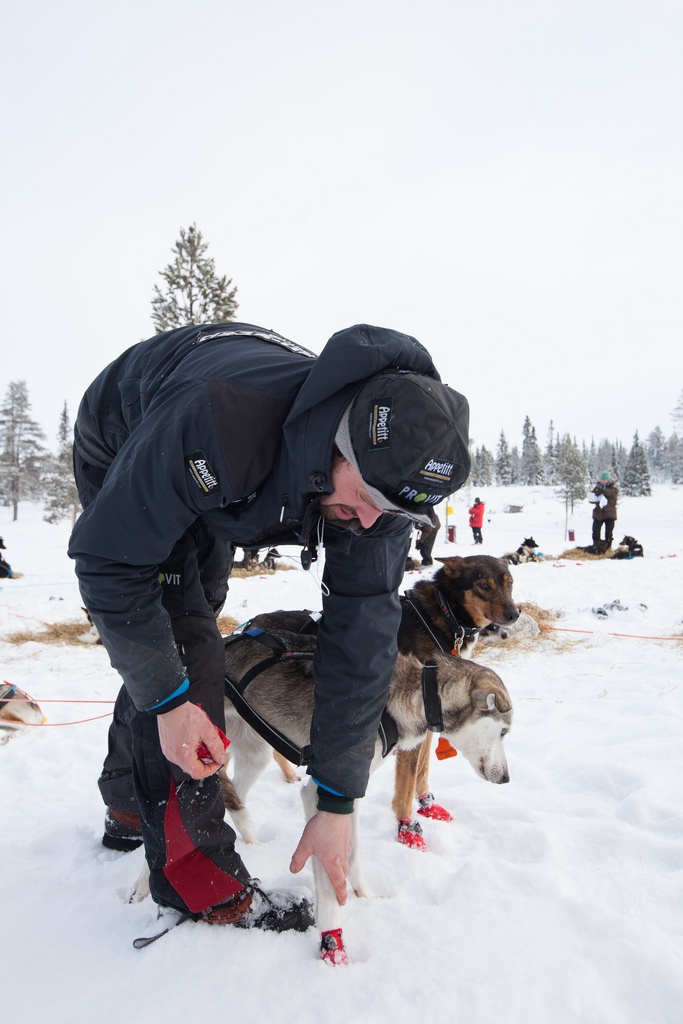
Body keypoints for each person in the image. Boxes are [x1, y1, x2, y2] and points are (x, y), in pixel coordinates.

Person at [68, 321, 470, 932]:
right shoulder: (222, 421)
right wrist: (172, 701)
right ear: (341, 441)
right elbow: (110, 560)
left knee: (189, 617)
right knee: (187, 654)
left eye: (389, 511)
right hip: (136, 436)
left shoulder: (384, 488)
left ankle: (128, 799)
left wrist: (337, 797)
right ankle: (201, 887)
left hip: (234, 480)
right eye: (362, 496)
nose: (366, 523)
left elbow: (361, 642)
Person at [589, 471, 619, 548]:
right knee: (595, 531)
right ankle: (596, 546)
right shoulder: (597, 487)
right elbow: (592, 499)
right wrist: (594, 495)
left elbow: (612, 493)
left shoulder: (613, 488)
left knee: (608, 533)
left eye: (604, 479)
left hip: (609, 513)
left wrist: (602, 491)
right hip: (599, 513)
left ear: (608, 480)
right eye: (602, 479)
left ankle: (608, 547)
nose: (603, 481)